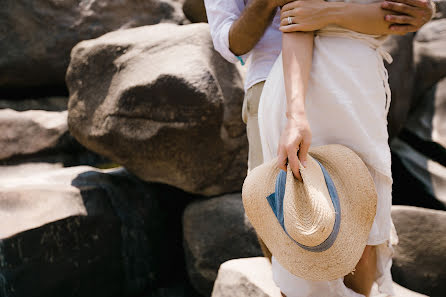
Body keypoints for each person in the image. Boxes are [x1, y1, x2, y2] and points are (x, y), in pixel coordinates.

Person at [205, 0, 434, 296]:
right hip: (278, 80)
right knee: (289, 221)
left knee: (361, 213)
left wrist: (421, 10)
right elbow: (236, 39)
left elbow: (396, 14)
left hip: (355, 87)